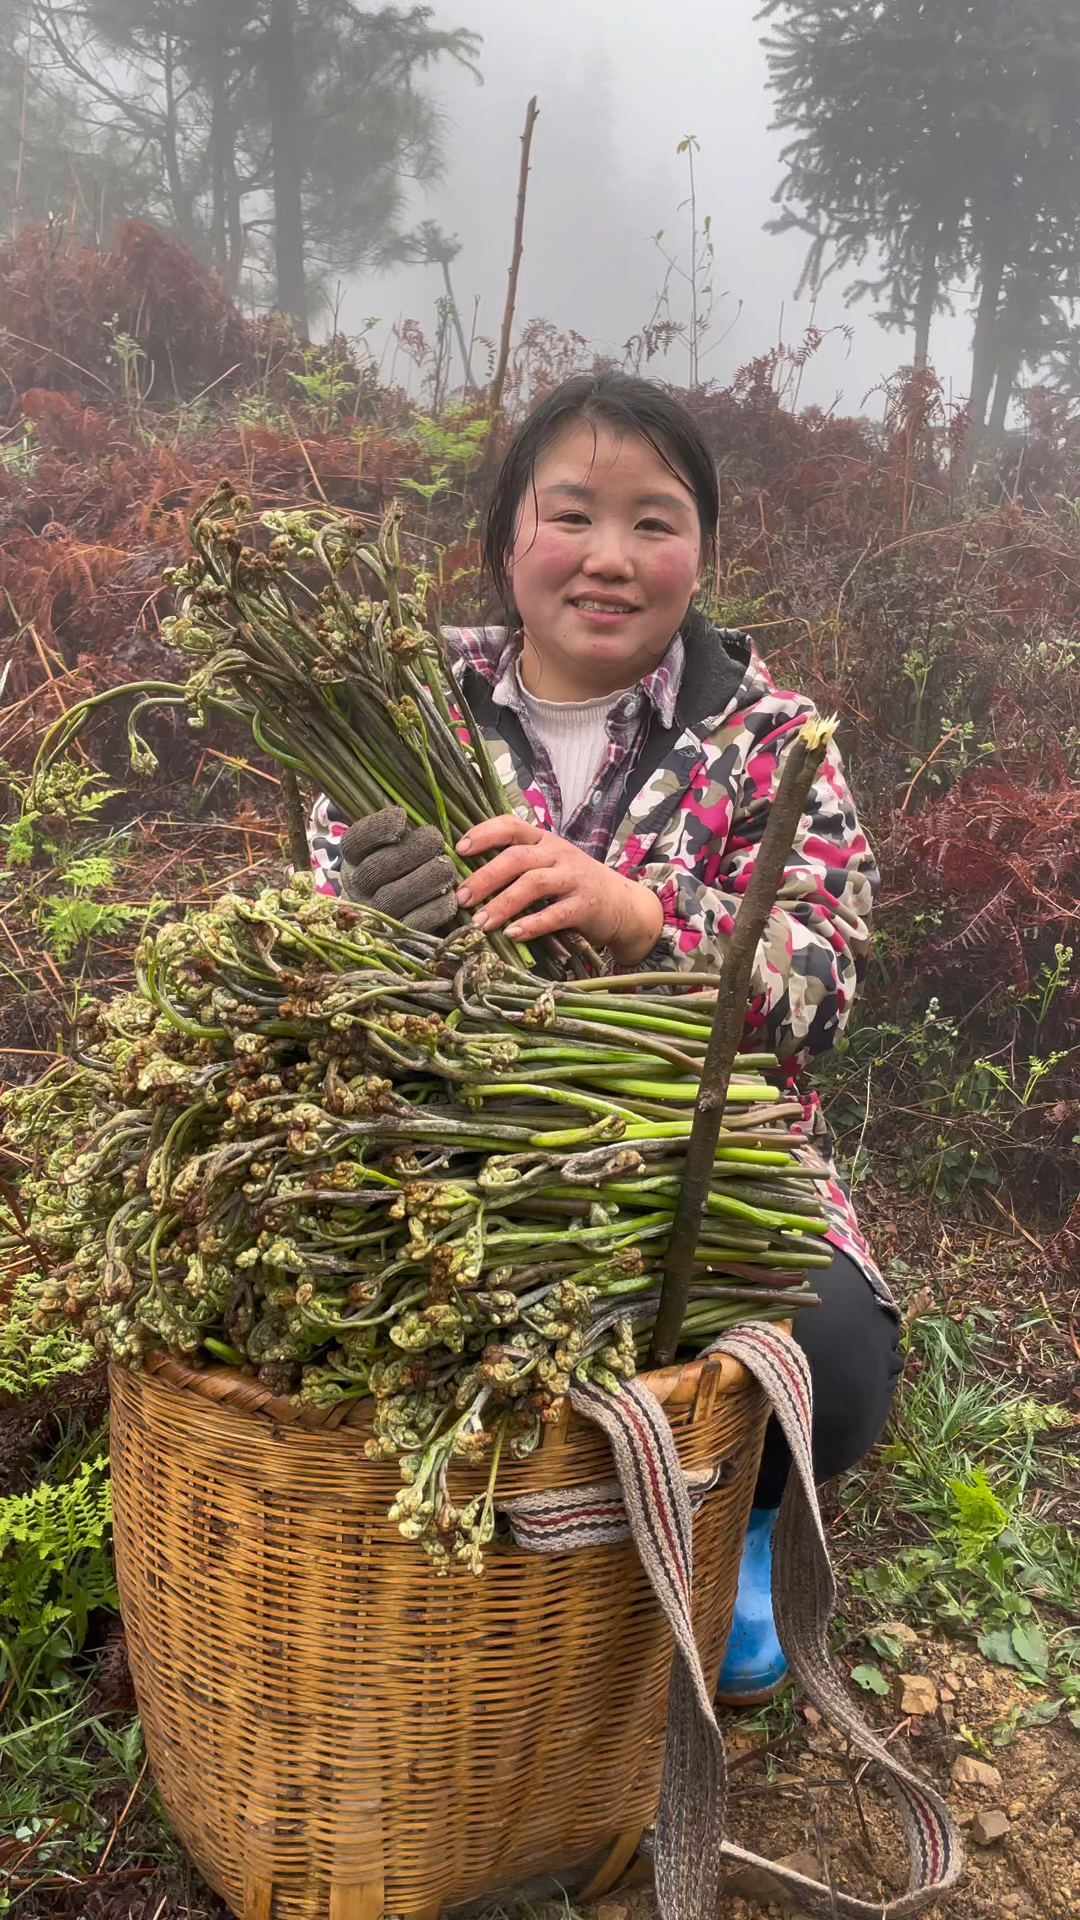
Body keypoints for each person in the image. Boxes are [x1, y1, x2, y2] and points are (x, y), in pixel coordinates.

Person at [307, 371, 902, 1705]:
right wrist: (372, 916)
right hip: (458, 1148)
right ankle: (471, 1544)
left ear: (704, 550)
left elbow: (828, 986)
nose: (611, 559)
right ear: (506, 533)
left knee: (836, 1363)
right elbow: (323, 929)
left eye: (657, 521)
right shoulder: (407, 704)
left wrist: (647, 919)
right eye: (572, 514)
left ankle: (729, 1525)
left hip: (697, 1164)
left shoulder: (771, 738)